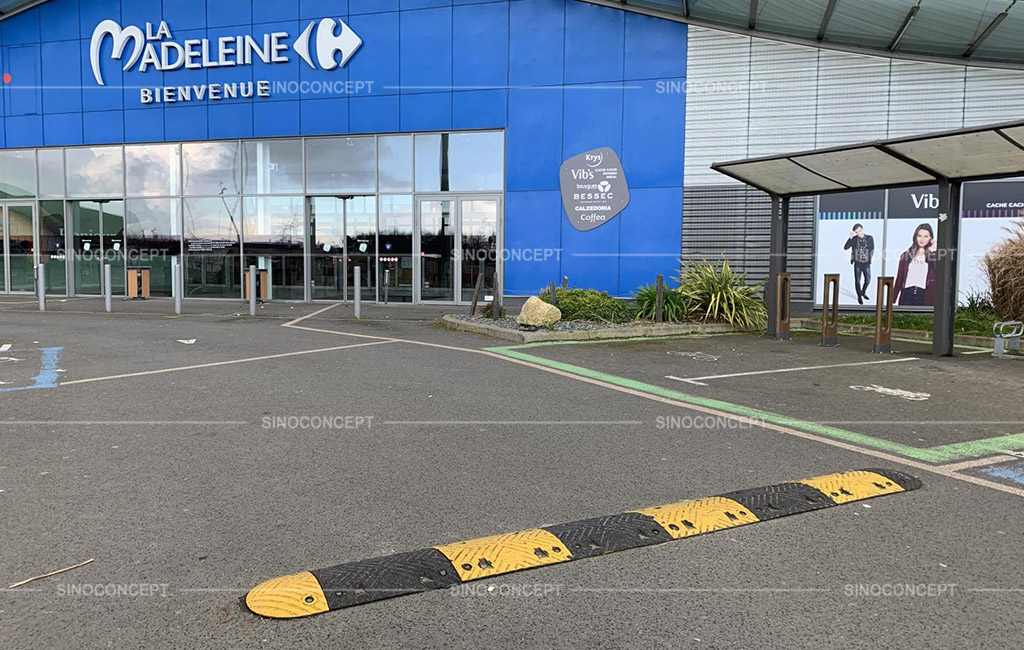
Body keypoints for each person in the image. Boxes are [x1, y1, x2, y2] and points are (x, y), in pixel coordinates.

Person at [893, 223, 937, 307]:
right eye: (919, 235)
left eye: (926, 236)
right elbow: (899, 278)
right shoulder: (906, 255)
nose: (922, 239)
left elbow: (938, 271)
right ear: (915, 237)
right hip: (907, 293)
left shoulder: (935, 255)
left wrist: (933, 251)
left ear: (930, 238)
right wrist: (892, 299)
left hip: (925, 294)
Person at [843, 223, 875, 304]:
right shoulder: (854, 239)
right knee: (857, 281)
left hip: (866, 263)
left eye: (860, 231)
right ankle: (859, 296)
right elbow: (845, 247)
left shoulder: (869, 238)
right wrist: (850, 238)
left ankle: (863, 292)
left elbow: (872, 249)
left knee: (868, 280)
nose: (859, 233)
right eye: (857, 232)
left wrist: (869, 258)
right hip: (857, 263)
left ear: (862, 229)